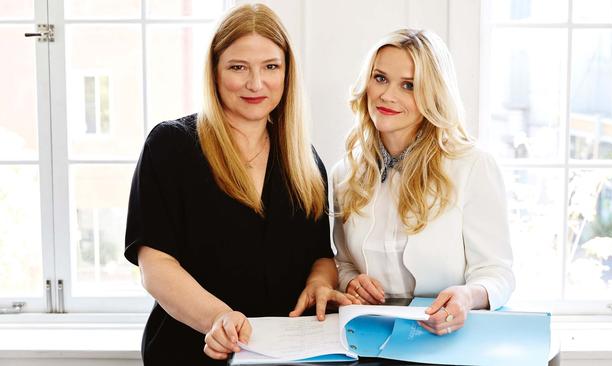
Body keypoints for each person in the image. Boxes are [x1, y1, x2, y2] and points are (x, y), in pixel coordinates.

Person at [124, 4, 355, 365]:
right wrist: (218, 319)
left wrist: (320, 284)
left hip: (285, 355)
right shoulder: (170, 146)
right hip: (189, 351)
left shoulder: (304, 161)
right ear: (215, 72)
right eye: (238, 67)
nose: (255, 83)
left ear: (287, 73)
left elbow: (320, 256)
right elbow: (155, 265)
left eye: (270, 67)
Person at [332, 29, 515, 337]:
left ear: (433, 94)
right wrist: (350, 281)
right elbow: (343, 263)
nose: (387, 95)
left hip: (447, 336)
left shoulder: (473, 166)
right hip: (367, 336)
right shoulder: (345, 173)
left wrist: (467, 297)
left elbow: (497, 273)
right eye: (380, 78)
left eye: (409, 85)